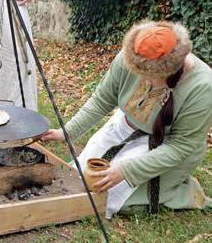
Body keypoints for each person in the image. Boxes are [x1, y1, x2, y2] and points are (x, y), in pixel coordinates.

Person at [41, 20, 212, 218]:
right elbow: (101, 100)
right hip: (125, 127)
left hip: (167, 145)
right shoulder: (130, 56)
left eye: (148, 76)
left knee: (111, 200)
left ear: (169, 70)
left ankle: (183, 190)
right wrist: (66, 132)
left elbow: (181, 146)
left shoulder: (203, 86)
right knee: (81, 180)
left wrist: (127, 170)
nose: (143, 81)